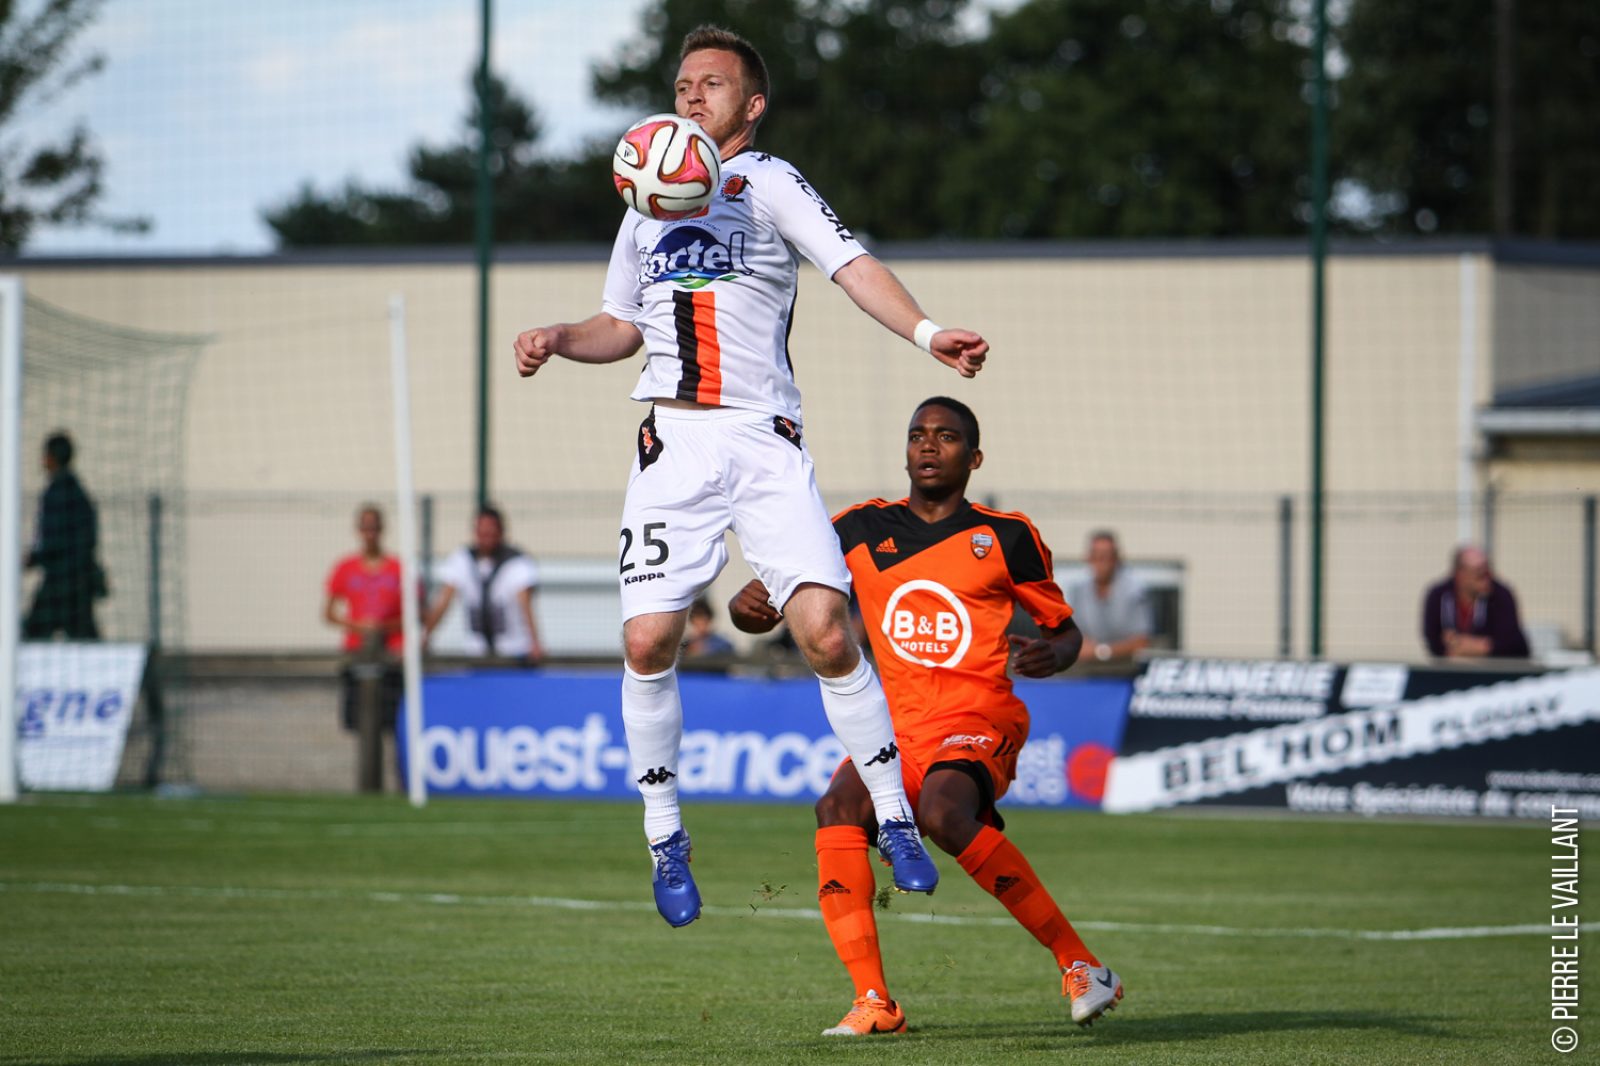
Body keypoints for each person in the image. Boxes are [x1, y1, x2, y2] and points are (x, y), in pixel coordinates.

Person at [512, 25, 986, 927]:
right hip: (674, 444)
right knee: (648, 641)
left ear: (753, 104)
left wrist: (928, 334)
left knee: (826, 634)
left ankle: (894, 816)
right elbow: (621, 325)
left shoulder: (766, 181)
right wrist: (560, 337)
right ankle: (665, 836)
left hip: (763, 439)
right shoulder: (645, 200)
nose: (691, 96)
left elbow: (850, 266)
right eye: (682, 84)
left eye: (712, 84)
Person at [729, 397, 1123, 1035]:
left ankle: (1082, 965)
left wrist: (1054, 654)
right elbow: (781, 598)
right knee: (836, 809)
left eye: (946, 436)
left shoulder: (1006, 536)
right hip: (897, 728)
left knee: (943, 813)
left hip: (980, 715)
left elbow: (1066, 632)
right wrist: (748, 607)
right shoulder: (859, 529)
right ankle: (875, 1002)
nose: (929, 445)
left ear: (975, 457)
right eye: (918, 435)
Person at [323, 504, 405, 767]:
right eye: (365, 528)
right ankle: (367, 774)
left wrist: (382, 627)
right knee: (359, 722)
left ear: (382, 529)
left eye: (374, 528)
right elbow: (329, 613)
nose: (370, 534)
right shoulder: (346, 567)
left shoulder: (397, 568)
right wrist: (359, 626)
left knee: (392, 722)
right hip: (357, 653)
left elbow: (412, 615)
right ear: (358, 530)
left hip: (390, 655)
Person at [421, 505, 545, 663]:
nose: (486, 538)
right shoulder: (462, 559)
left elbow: (525, 605)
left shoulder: (517, 563)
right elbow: (443, 602)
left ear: (501, 532)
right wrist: (425, 636)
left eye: (491, 533)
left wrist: (535, 641)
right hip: (476, 653)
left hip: (513, 651)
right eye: (482, 533)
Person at [24, 431, 103, 640]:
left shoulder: (56, 493)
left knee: (32, 635)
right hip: (79, 582)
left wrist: (32, 558)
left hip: (59, 583)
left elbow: (53, 539)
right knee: (86, 640)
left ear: (51, 457)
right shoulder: (80, 493)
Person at [1421, 544, 1530, 659]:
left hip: (1492, 668)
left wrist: (1474, 646)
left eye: (1487, 570)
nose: (1486, 578)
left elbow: (1513, 643)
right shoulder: (1439, 596)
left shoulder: (1501, 595)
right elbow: (1434, 641)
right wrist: (1478, 646)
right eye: (1479, 573)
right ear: (1460, 574)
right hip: (1452, 668)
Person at [1063, 530, 1152, 663]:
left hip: (1127, 669)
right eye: (1097, 556)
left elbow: (1142, 642)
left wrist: (1101, 651)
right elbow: (1073, 637)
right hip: (1087, 670)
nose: (1102, 561)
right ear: (1088, 558)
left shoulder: (1134, 590)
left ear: (1116, 559)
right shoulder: (1079, 591)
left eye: (1107, 556)